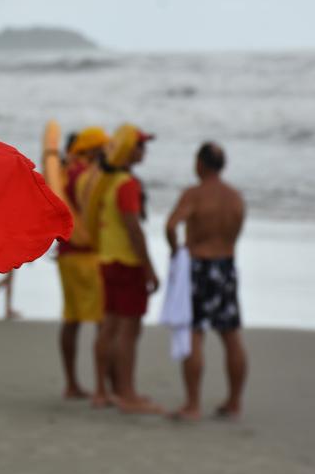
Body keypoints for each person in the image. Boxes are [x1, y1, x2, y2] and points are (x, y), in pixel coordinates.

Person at [79, 123, 162, 414]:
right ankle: (127, 394)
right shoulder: (126, 183)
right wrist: (149, 268)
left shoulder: (106, 180)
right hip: (127, 262)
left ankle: (103, 390)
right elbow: (133, 227)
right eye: (141, 145)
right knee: (129, 331)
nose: (144, 151)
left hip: (107, 259)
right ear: (129, 150)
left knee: (109, 328)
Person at [165, 142, 247, 421]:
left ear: (201, 163)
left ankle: (193, 404)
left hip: (199, 267)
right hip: (226, 266)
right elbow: (236, 232)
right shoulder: (235, 197)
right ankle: (234, 402)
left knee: (194, 334)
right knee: (231, 335)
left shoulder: (194, 194)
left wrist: (176, 250)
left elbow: (171, 225)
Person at [56, 126, 109, 399]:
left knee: (72, 319)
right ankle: (104, 385)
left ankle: (71, 383)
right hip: (87, 253)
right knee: (103, 321)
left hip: (66, 253)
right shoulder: (85, 175)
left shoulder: (62, 173)